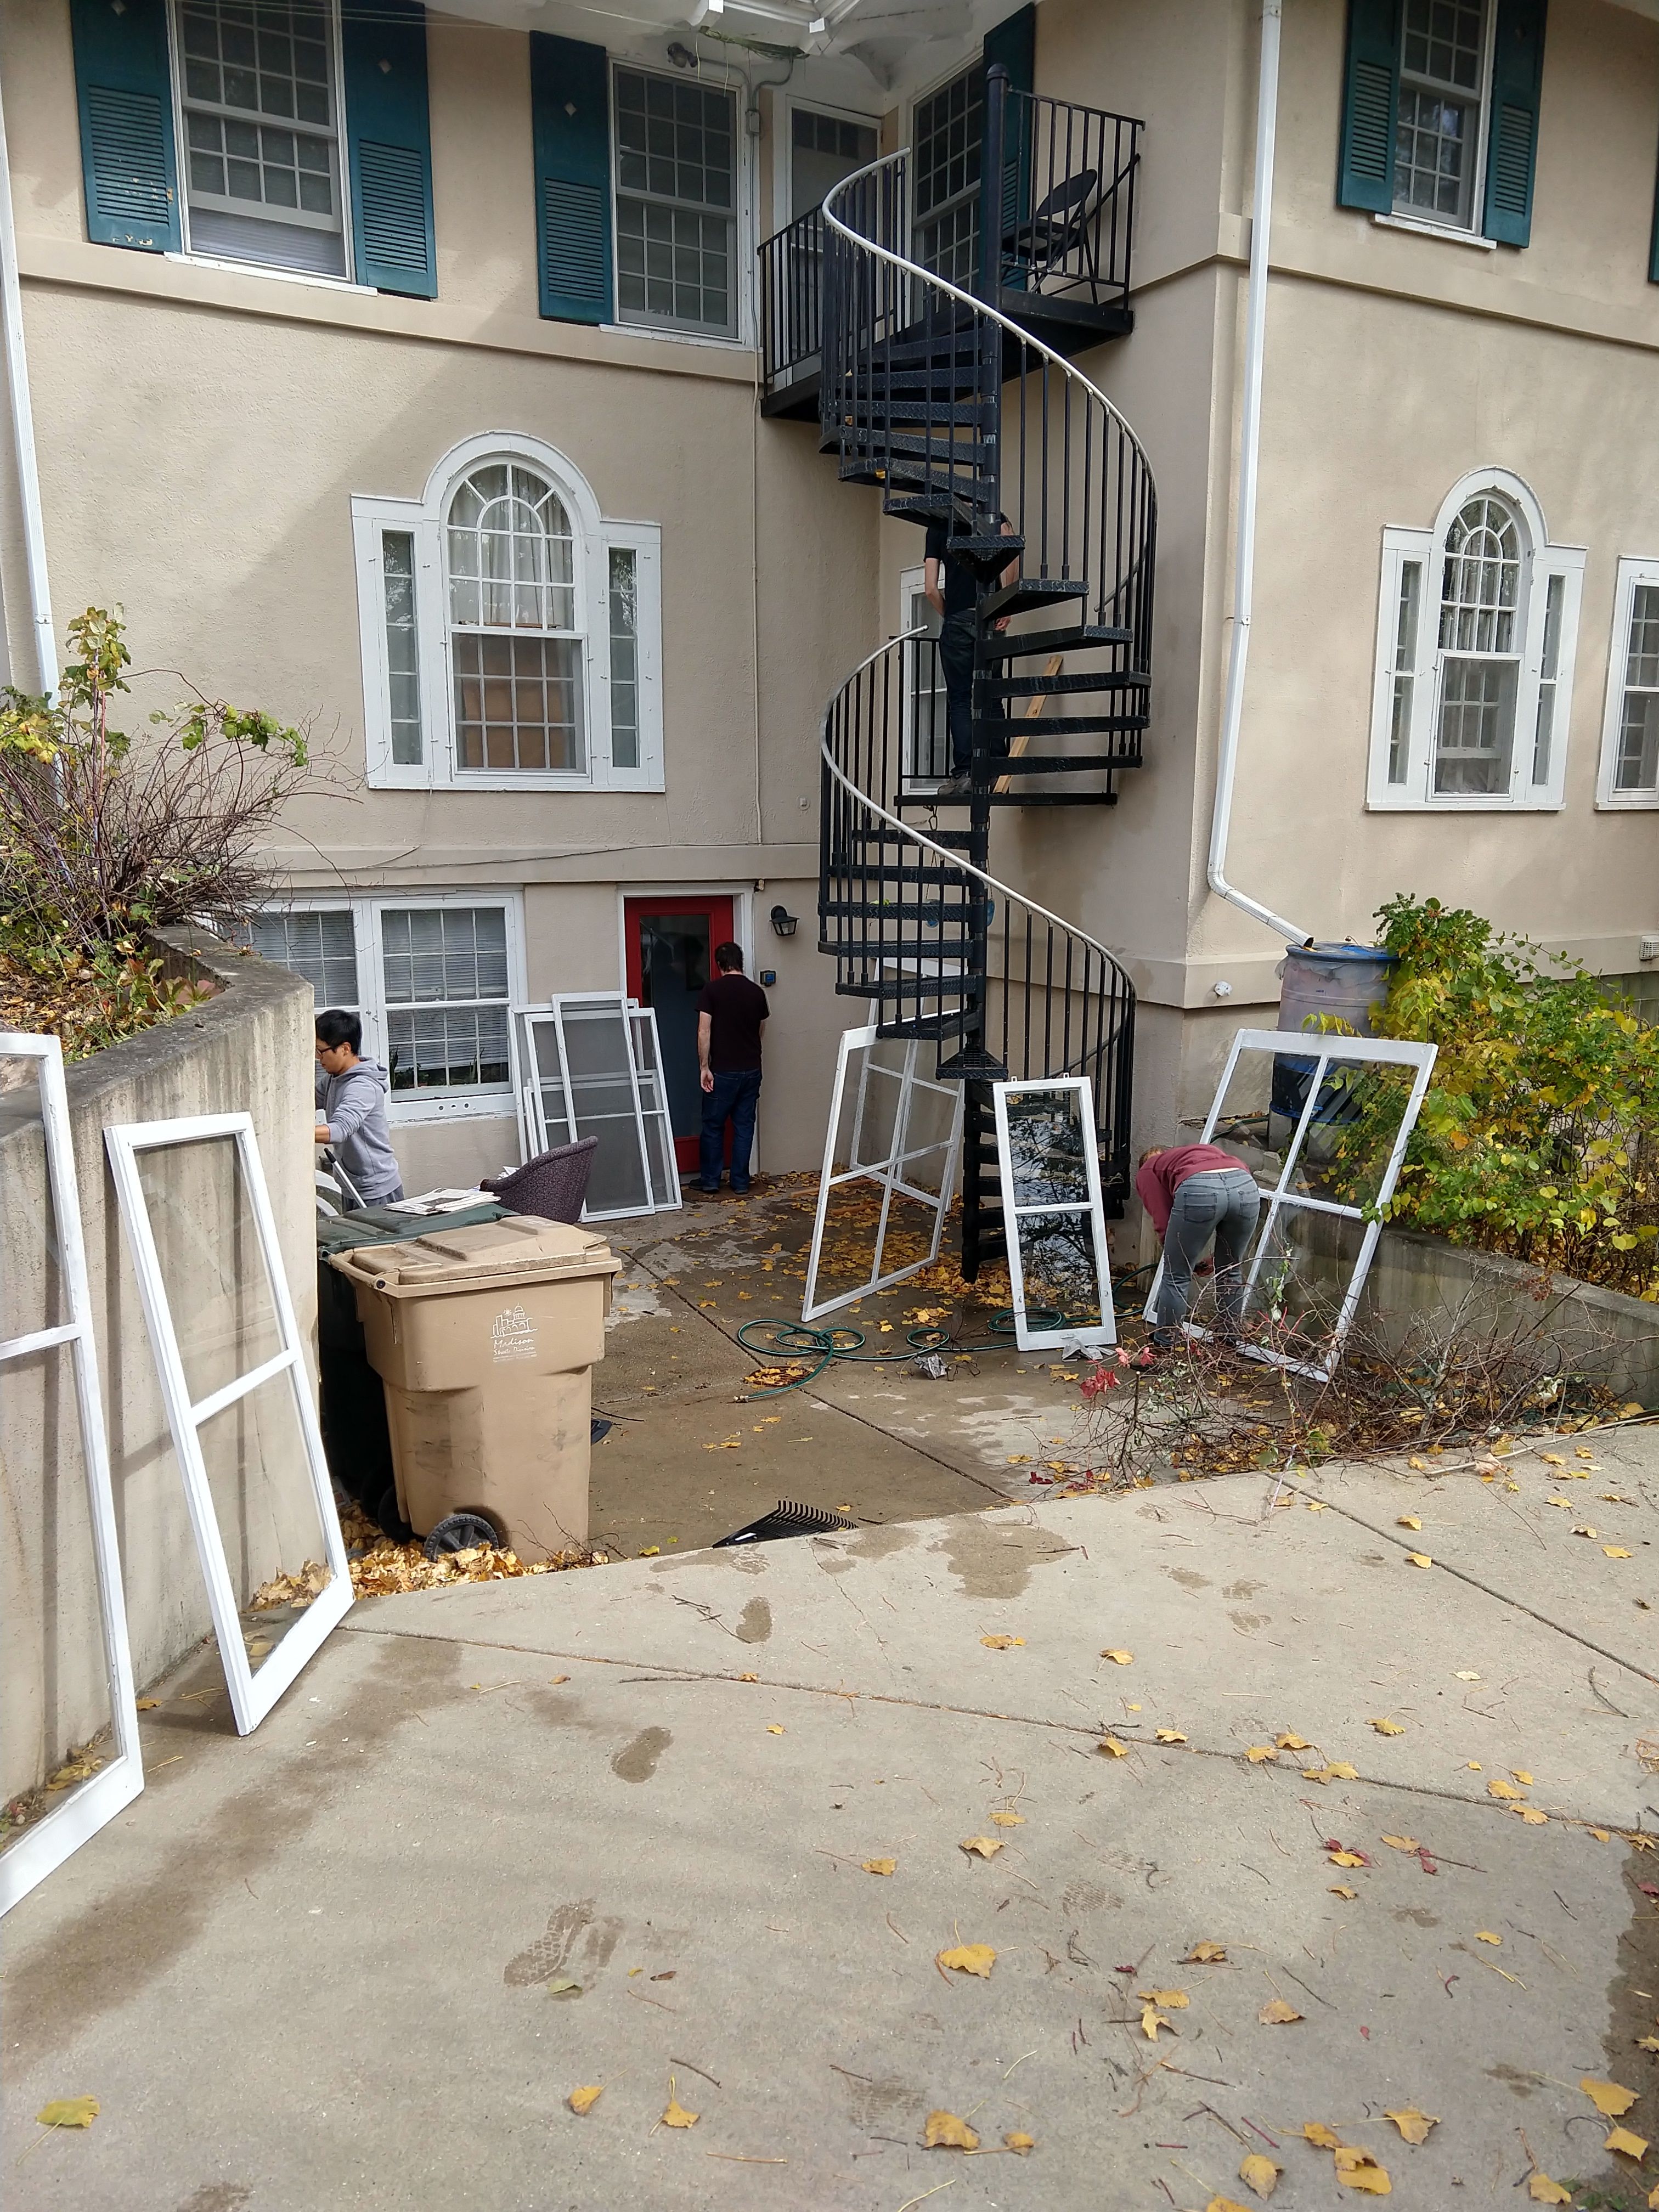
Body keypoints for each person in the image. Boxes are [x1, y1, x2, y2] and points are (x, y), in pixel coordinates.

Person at [923, 513, 1020, 797]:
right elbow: (1012, 552)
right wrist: (1006, 605)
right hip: (992, 616)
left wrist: (952, 615)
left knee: (961, 699)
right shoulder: (996, 519)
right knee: (992, 695)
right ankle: (997, 767)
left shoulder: (938, 526)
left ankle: (965, 773)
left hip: (958, 620)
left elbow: (930, 589)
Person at [1136, 1142, 1262, 1347]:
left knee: (1176, 1277)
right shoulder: (1196, 1154)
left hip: (1200, 1189)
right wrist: (1218, 1257)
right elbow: (1227, 1189)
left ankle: (1164, 1346)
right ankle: (1228, 1342)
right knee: (1230, 1271)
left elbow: (1163, 1221)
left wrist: (1180, 1257)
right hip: (1245, 1185)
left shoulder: (1148, 1170)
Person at [696, 943, 769, 1196]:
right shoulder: (756, 993)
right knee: (744, 1126)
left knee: (714, 1125)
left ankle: (711, 1181)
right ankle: (740, 1181)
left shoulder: (712, 991)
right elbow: (761, 1030)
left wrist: (705, 1067)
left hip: (723, 1070)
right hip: (751, 1069)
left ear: (719, 964)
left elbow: (704, 1030)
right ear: (741, 962)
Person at [314, 1009, 404, 1209]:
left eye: (322, 1051)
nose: (318, 1059)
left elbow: (339, 1130)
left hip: (376, 1190)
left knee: (379, 1241)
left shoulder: (362, 1086)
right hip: (350, 1184)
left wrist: (293, 1134)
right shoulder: (333, 1078)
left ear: (345, 1049)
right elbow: (307, 1101)